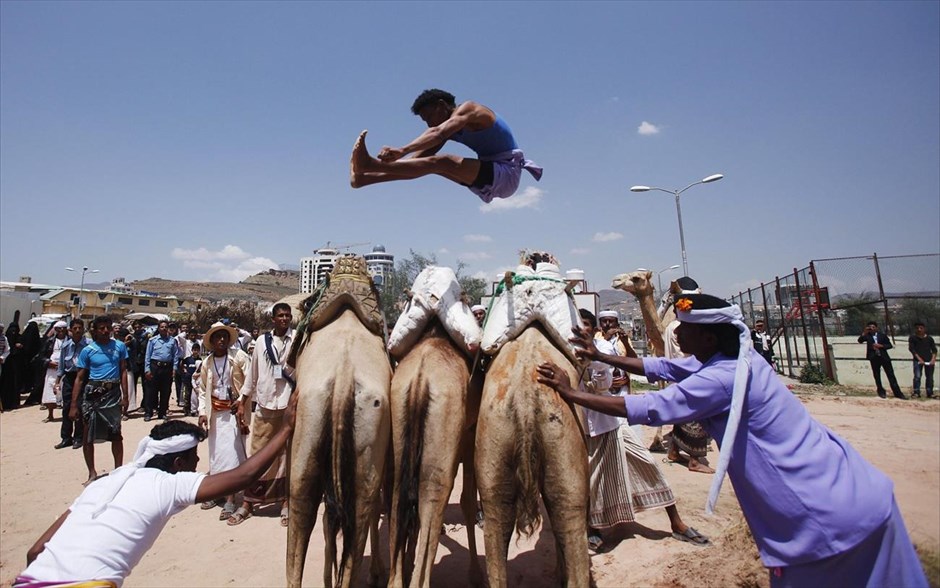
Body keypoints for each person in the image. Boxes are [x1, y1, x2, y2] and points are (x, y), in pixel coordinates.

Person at [537, 293, 928, 588]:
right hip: (859, 497)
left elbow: (651, 406)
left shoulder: (720, 378)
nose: (677, 333)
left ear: (707, 337)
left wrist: (570, 394)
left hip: (825, 525)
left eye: (685, 328)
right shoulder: (735, 360)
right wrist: (602, 356)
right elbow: (661, 366)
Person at [16, 392, 299, 588]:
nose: (198, 461)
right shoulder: (168, 485)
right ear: (178, 463)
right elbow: (245, 475)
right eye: (193, 457)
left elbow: (35, 552)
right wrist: (285, 429)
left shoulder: (105, 483)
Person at [577, 309, 706, 553]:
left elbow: (607, 379)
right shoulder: (568, 350)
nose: (582, 330)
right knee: (589, 478)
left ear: (592, 329)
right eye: (578, 325)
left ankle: (676, 522)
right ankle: (591, 527)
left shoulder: (602, 347)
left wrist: (597, 369)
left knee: (647, 462)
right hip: (585, 424)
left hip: (612, 420)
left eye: (586, 325)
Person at [349, 88, 542, 203]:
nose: (429, 124)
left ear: (442, 105)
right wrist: (374, 172)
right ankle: (363, 179)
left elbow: (437, 132)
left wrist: (401, 150)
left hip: (507, 173)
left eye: (430, 117)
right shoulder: (446, 133)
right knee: (427, 165)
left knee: (444, 162)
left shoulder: (470, 110)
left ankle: (368, 165)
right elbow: (415, 164)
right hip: (489, 176)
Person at [230, 303, 295, 526]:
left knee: (287, 454)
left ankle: (286, 502)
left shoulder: (297, 340)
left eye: (287, 316)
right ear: (273, 319)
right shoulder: (261, 342)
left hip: (289, 404)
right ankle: (249, 501)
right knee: (258, 451)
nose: (284, 319)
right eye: (280, 316)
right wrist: (242, 401)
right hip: (266, 404)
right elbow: (253, 374)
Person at [197, 322, 250, 523]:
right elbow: (203, 389)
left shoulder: (238, 358)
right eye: (217, 337)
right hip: (215, 414)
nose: (221, 340)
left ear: (228, 340)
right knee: (216, 455)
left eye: (224, 337)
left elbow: (249, 380)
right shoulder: (207, 363)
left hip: (233, 413)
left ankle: (230, 498)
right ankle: (217, 492)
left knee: (231, 454)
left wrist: (241, 400)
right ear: (211, 341)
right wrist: (202, 411)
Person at [70, 316, 129, 487]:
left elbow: (123, 371)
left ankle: (119, 471)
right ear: (94, 330)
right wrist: (74, 404)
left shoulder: (119, 346)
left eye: (107, 327)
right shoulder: (88, 351)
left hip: (113, 394)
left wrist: (126, 396)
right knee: (88, 435)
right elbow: (80, 378)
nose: (105, 331)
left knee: (116, 435)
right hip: (93, 394)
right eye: (101, 328)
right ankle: (92, 472)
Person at [54, 319, 89, 449]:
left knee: (80, 407)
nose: (78, 330)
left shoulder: (89, 345)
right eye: (75, 328)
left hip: (83, 377)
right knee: (67, 407)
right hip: (69, 378)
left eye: (80, 328)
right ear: (71, 330)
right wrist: (57, 381)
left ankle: (78, 437)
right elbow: (61, 366)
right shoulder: (65, 346)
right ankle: (66, 437)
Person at [858, 321, 906, 399]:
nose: (871, 329)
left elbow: (889, 345)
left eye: (873, 327)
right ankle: (881, 391)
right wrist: (864, 332)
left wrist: (881, 346)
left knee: (891, 375)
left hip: (884, 357)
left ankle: (898, 393)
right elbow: (860, 340)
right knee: (877, 376)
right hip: (874, 358)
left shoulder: (882, 336)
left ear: (876, 328)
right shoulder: (867, 336)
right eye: (870, 327)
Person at [144, 321, 179, 421]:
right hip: (155, 367)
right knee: (151, 391)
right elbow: (147, 356)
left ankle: (162, 413)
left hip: (167, 368)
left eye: (165, 327)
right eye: (162, 327)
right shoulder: (152, 340)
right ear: (158, 328)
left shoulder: (172, 341)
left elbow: (175, 356)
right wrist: (147, 369)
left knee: (165, 391)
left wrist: (174, 369)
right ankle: (148, 412)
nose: (164, 328)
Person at [596, 310, 636, 395]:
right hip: (603, 388)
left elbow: (634, 360)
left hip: (622, 388)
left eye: (611, 321)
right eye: (604, 321)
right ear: (600, 324)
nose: (607, 324)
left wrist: (625, 343)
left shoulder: (623, 339)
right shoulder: (596, 339)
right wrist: (606, 338)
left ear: (617, 324)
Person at [38, 321, 68, 423]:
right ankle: (50, 415)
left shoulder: (70, 341)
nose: (62, 330)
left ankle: (66, 415)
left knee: (65, 391)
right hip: (51, 370)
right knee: (50, 390)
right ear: (55, 330)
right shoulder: (50, 341)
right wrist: (49, 363)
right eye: (59, 328)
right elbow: (41, 356)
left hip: (65, 370)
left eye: (64, 328)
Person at [908, 322, 937, 399]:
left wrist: (933, 360)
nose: (919, 330)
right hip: (917, 360)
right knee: (917, 376)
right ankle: (916, 392)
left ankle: (930, 392)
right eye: (917, 328)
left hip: (929, 360)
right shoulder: (912, 338)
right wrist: (919, 358)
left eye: (921, 328)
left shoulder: (929, 338)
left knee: (930, 377)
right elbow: (912, 349)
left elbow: (934, 350)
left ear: (924, 329)